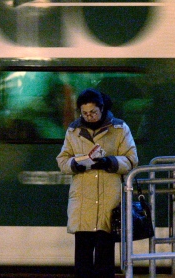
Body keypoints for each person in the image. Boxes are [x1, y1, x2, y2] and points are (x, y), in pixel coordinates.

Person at [57, 89, 138, 278]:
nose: (89, 117)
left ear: (102, 108)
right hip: (82, 203)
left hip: (108, 203)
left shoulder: (119, 129)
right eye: (84, 113)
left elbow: (132, 159)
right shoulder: (73, 131)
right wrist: (75, 164)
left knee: (104, 262)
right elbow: (62, 161)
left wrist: (109, 162)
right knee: (82, 262)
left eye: (93, 112)